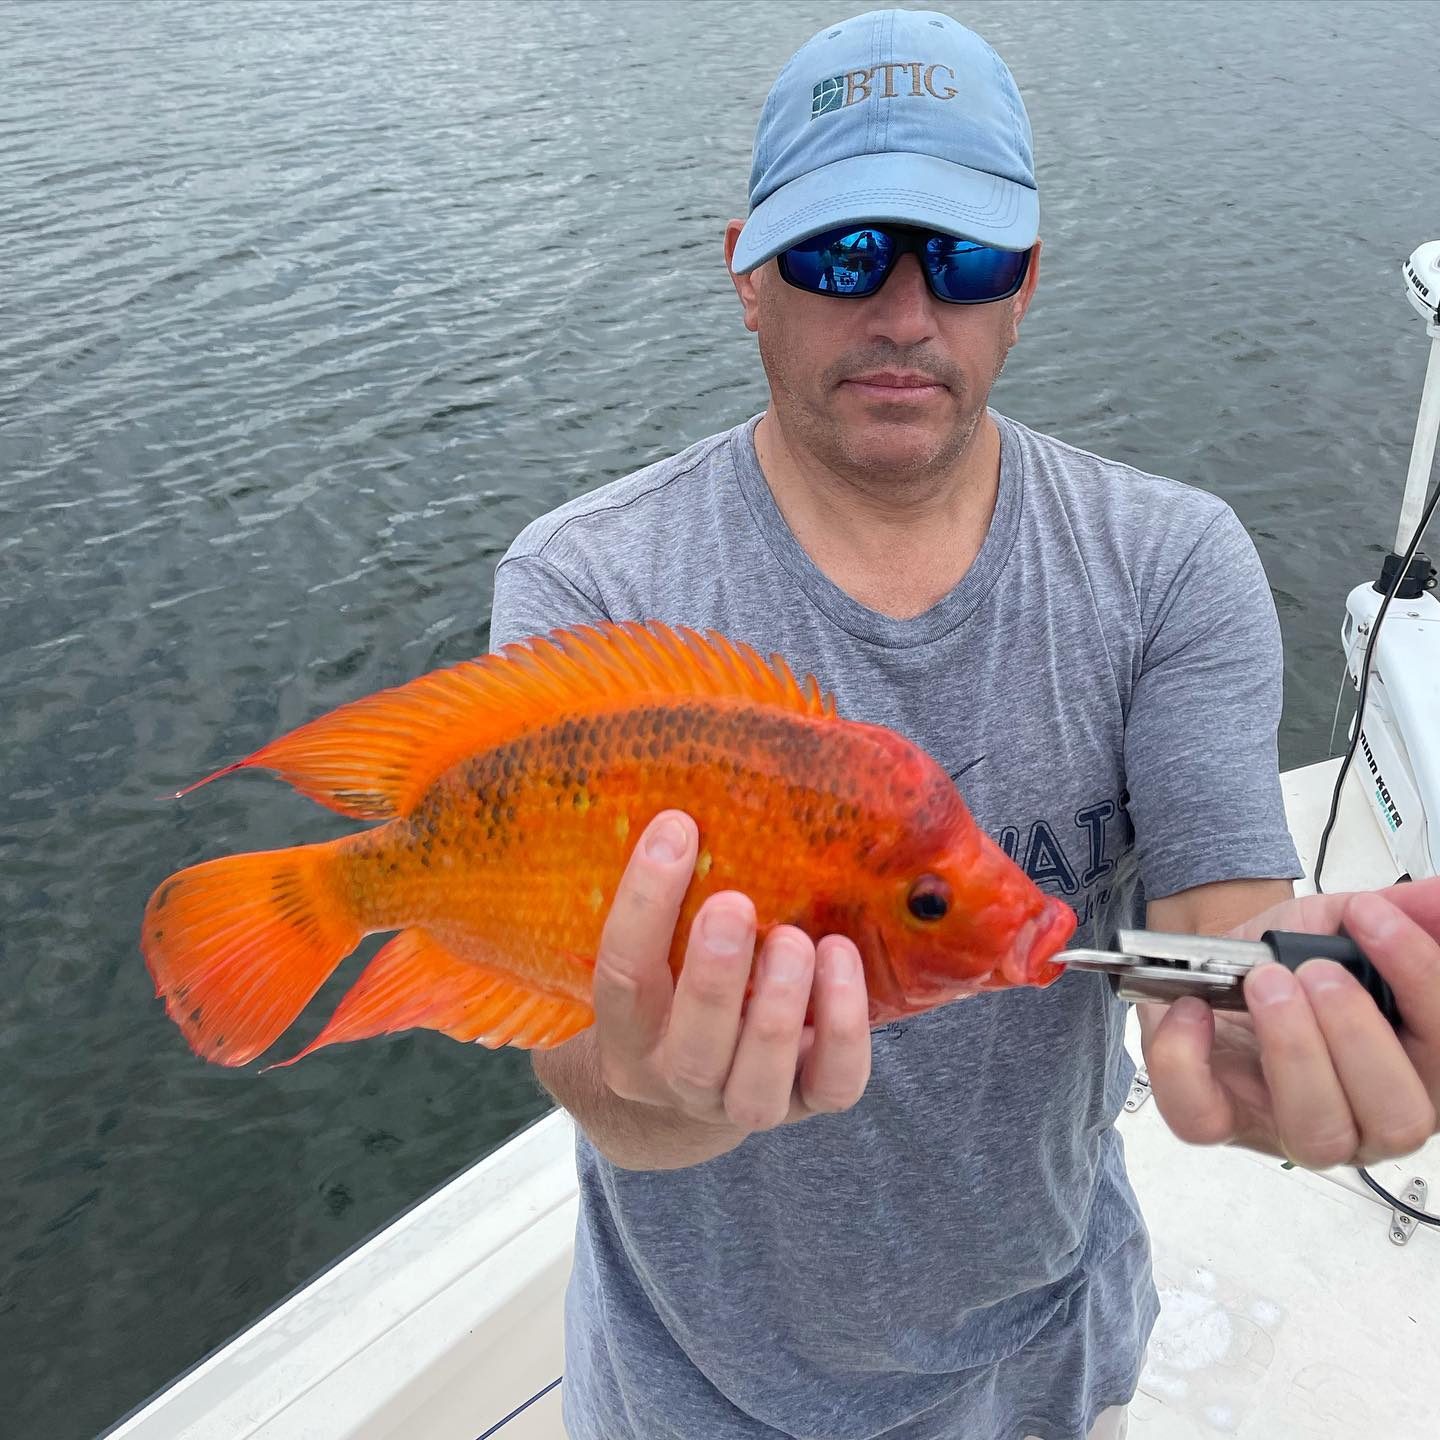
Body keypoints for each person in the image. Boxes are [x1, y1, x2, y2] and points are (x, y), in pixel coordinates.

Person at [487, 11, 1440, 1438]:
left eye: (967, 256)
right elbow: (588, 1067)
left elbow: (1222, 916)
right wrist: (666, 1091)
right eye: (843, 252)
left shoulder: (1168, 563)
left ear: (1026, 287)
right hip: (696, 1388)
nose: (906, 311)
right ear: (747, 272)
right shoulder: (595, 585)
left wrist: (1271, 1036)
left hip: (1047, 1363)